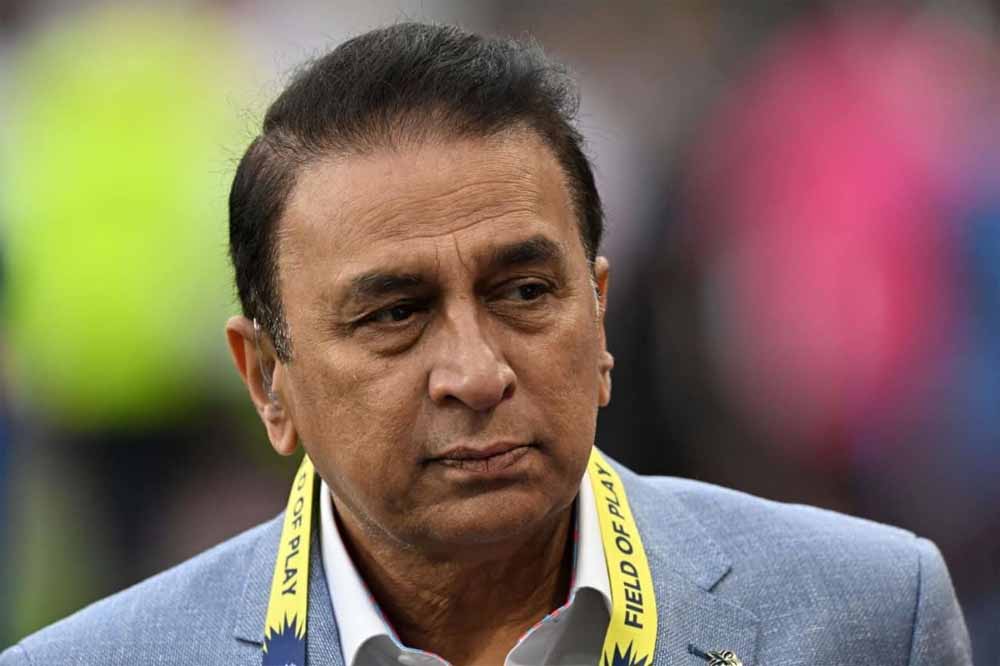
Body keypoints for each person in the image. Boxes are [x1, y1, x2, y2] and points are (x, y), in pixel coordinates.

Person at [0, 23, 971, 666]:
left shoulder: (870, 614)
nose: (475, 372)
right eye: (392, 315)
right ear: (267, 381)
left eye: (525, 293)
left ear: (599, 317)